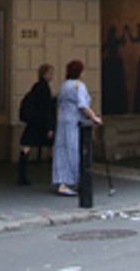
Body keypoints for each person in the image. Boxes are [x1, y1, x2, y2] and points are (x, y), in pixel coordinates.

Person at [52, 60, 100, 197]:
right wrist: (94, 117)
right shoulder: (79, 86)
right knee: (74, 151)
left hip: (62, 121)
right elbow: (83, 105)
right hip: (74, 122)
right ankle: (73, 181)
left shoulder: (63, 85)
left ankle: (61, 181)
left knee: (61, 150)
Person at [17, 65, 56, 186]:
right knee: (52, 146)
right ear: (45, 74)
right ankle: (58, 176)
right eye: (50, 73)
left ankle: (21, 174)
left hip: (34, 122)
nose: (52, 76)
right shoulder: (44, 88)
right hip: (41, 123)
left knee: (26, 146)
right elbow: (46, 109)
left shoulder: (37, 86)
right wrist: (50, 127)